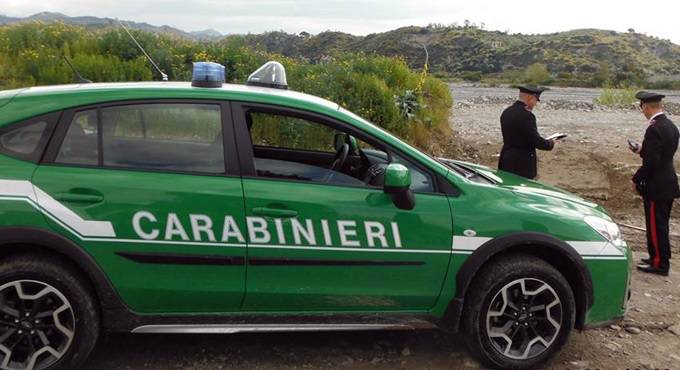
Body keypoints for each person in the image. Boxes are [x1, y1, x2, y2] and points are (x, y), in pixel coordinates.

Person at [632, 91, 679, 276]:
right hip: (668, 181)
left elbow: (651, 163)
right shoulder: (670, 126)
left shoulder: (654, 128)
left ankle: (660, 263)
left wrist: (636, 178)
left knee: (655, 225)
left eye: (642, 107)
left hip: (657, 185)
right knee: (660, 224)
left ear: (646, 106)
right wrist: (641, 150)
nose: (642, 111)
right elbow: (661, 154)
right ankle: (656, 256)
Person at [498, 85, 556, 179]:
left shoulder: (506, 112)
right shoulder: (527, 116)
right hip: (522, 164)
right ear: (531, 98)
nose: (535, 104)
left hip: (506, 159)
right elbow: (535, 140)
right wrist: (550, 143)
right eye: (536, 100)